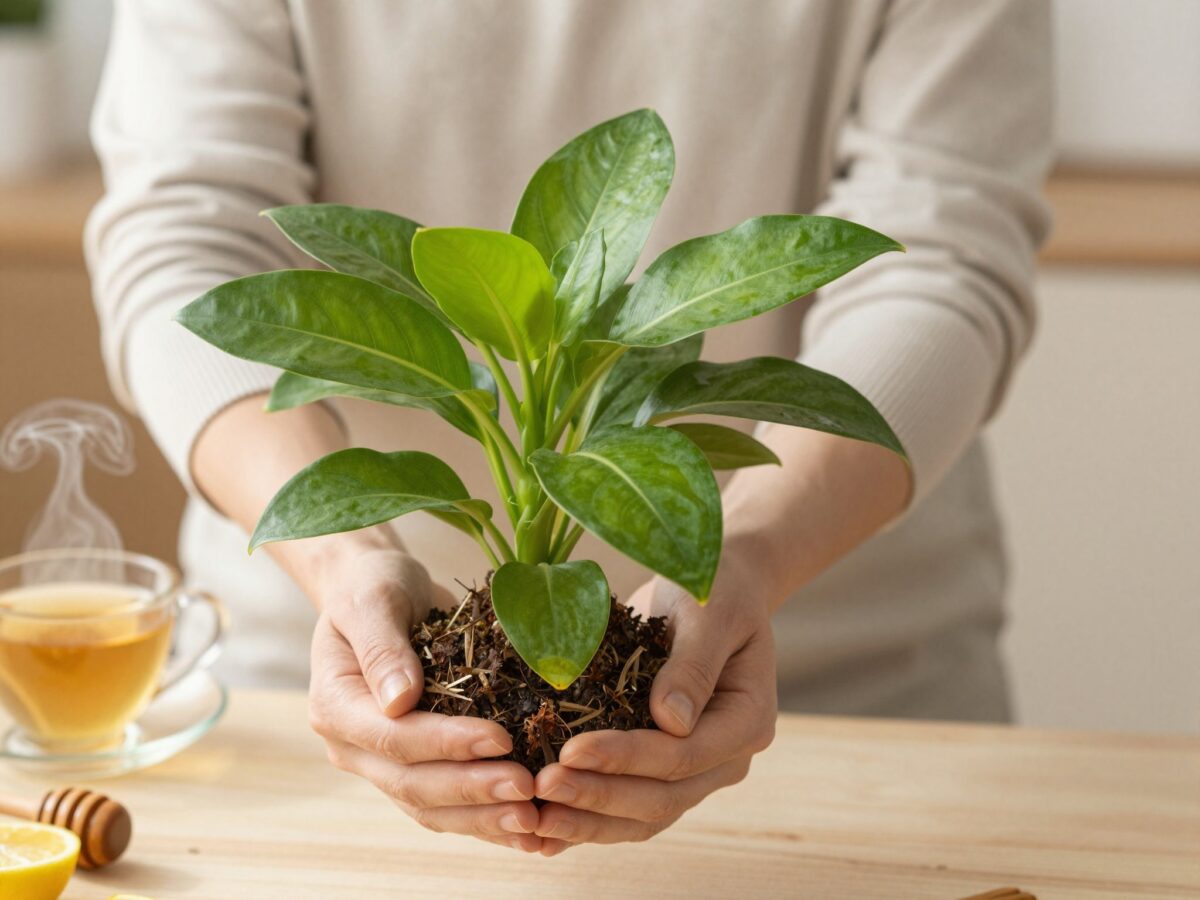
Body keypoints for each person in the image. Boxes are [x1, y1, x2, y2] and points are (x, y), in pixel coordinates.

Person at [85, 1, 1052, 856]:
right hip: (323, 699)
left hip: (853, 699)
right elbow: (185, 237)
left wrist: (749, 552)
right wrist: (345, 557)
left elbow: (940, 254)